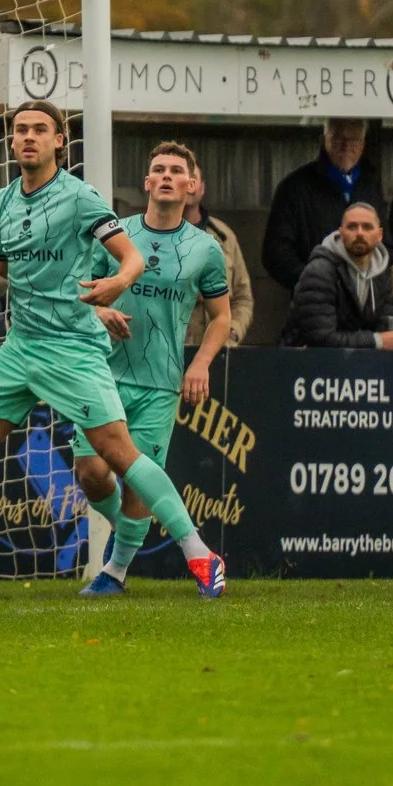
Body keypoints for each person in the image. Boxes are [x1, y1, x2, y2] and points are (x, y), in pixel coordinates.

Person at [0, 103, 225, 598]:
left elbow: (131, 258)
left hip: (72, 348)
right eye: (20, 131)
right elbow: (3, 281)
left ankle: (199, 554)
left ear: (60, 142)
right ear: (10, 143)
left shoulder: (80, 197)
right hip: (20, 347)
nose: (28, 138)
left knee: (116, 454)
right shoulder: (4, 202)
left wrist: (116, 284)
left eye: (40, 130)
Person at [74, 142, 234, 596]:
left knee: (138, 481)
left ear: (191, 185)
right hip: (99, 371)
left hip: (158, 381)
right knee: (90, 470)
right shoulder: (117, 235)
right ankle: (140, 532)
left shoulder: (205, 249)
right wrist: (99, 312)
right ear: (146, 183)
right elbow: (78, 291)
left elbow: (221, 315)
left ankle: (115, 573)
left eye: (176, 170)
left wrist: (200, 363)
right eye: (158, 170)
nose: (166, 176)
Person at [260, 119, 384, 293]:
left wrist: (374, 285)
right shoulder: (295, 187)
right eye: (338, 138)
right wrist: (313, 282)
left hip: (365, 301)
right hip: (313, 302)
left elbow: (387, 246)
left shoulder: (371, 188)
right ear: (324, 139)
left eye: (354, 139)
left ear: (363, 144)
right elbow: (275, 252)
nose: (345, 145)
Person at [282, 202, 393, 350]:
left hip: (358, 364)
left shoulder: (382, 273)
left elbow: (385, 330)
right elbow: (321, 338)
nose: (360, 233)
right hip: (303, 364)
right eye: (352, 227)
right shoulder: (320, 271)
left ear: (380, 235)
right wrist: (376, 341)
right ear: (341, 233)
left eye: (367, 227)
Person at [184, 164, 255, 348]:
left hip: (217, 353)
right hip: (167, 357)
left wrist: (232, 332)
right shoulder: (153, 236)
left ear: (202, 187)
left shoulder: (224, 236)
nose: (189, 184)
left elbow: (243, 297)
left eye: (194, 179)